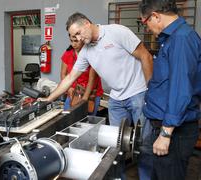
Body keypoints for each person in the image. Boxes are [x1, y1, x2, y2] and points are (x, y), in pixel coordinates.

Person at [39, 12, 153, 180]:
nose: (77, 39)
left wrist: (150, 91)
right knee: (116, 145)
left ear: (87, 23)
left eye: (78, 33)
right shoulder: (86, 51)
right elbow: (70, 77)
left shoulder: (116, 32)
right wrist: (49, 99)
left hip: (138, 92)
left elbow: (145, 56)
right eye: (73, 36)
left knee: (144, 143)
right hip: (116, 98)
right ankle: (118, 178)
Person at [139, 0, 201, 179]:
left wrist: (166, 133)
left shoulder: (181, 39)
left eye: (145, 23)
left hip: (174, 133)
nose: (147, 28)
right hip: (164, 126)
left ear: (156, 16)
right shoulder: (173, 38)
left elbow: (180, 89)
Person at [61, 34, 103, 115]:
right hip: (73, 93)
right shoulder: (68, 54)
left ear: (83, 39)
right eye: (71, 41)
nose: (73, 44)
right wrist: (68, 88)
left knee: (88, 122)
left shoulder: (92, 54)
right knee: (67, 119)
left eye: (76, 41)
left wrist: (84, 99)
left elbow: (92, 79)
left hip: (91, 94)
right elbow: (63, 74)